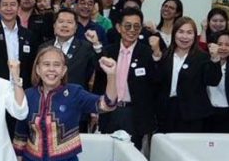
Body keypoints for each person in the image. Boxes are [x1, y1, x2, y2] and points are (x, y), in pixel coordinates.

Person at [93, 8, 157, 149]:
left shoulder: (147, 53)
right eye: (128, 26)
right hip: (110, 111)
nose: (132, 30)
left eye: (136, 26)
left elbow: (155, 84)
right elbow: (100, 82)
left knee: (133, 153)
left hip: (135, 113)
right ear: (118, 27)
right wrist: (96, 110)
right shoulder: (109, 51)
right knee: (107, 151)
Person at [152, 16, 222, 133]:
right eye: (181, 32)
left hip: (193, 115)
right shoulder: (164, 55)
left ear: (195, 36)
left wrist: (215, 59)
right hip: (166, 113)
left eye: (189, 33)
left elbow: (212, 81)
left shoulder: (202, 57)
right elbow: (155, 80)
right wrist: (156, 58)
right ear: (174, 34)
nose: (184, 37)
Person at [0, 0, 38, 89]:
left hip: (22, 87)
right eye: (5, 5)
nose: (9, 8)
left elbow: (32, 64)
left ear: (18, 8)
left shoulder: (28, 35)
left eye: (13, 5)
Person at [52, 8, 100, 90]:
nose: (65, 25)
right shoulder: (44, 47)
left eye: (69, 22)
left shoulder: (85, 47)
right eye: (61, 21)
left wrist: (96, 44)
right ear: (54, 26)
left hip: (76, 94)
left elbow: (99, 66)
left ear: (76, 27)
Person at [206, 31, 229, 132]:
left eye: (227, 45)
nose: (223, 48)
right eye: (219, 44)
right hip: (207, 113)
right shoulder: (204, 63)